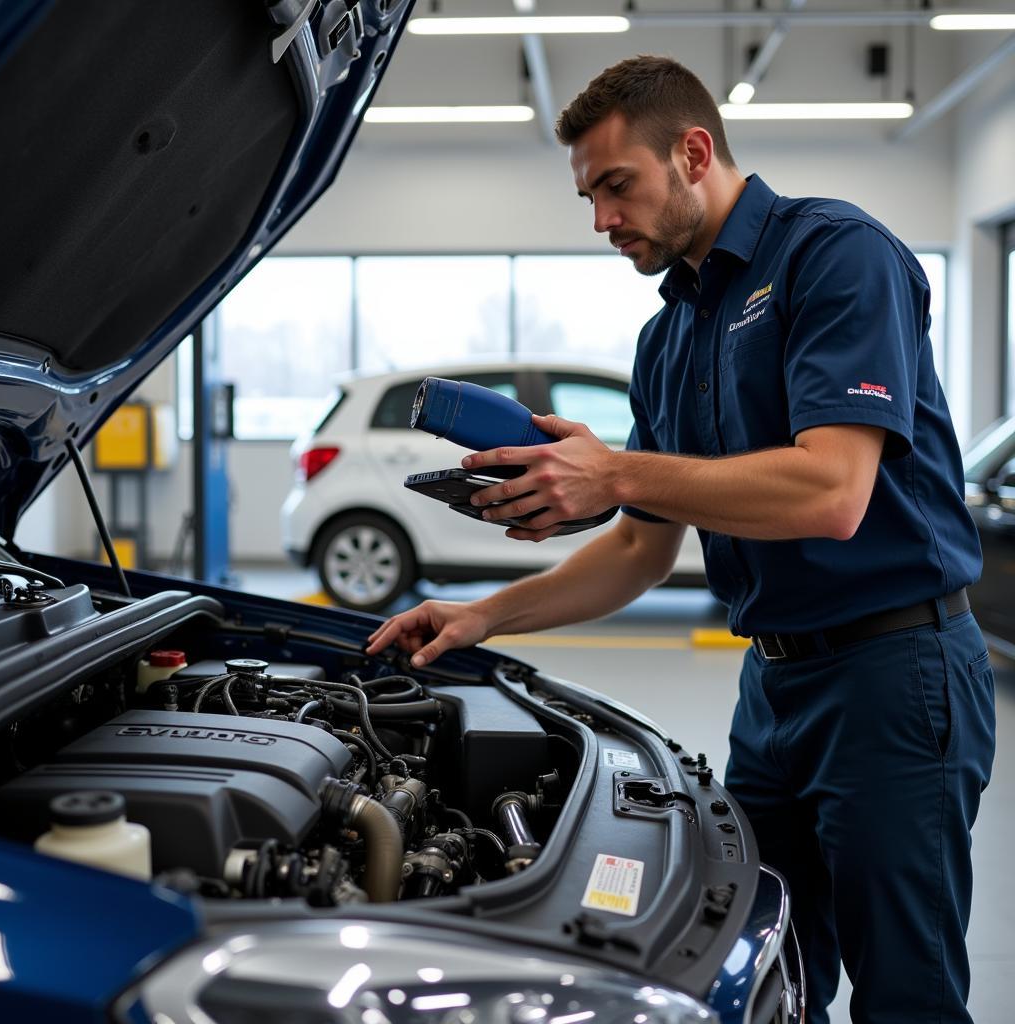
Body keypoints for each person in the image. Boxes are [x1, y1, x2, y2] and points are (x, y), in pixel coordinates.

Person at [366, 56, 995, 1024]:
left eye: (617, 185)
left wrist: (615, 470)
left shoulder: (835, 255)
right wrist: (482, 614)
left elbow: (833, 490)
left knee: (903, 987)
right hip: (774, 685)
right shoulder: (668, 338)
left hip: (893, 671)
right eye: (587, 195)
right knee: (771, 967)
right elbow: (638, 550)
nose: (601, 218)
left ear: (692, 152)